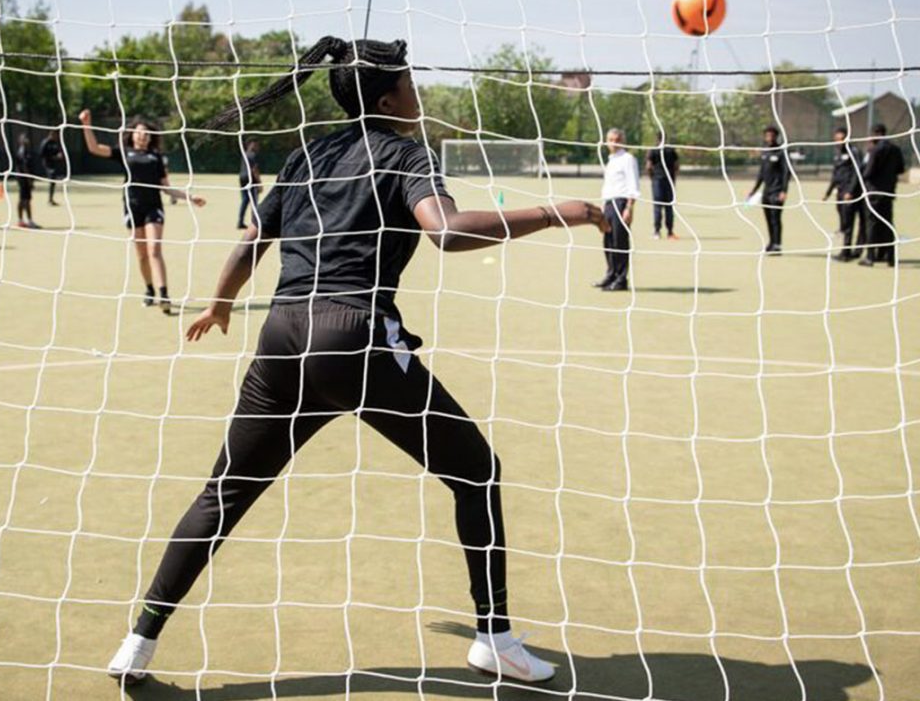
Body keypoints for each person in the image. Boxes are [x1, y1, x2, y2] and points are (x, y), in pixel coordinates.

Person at [106, 35, 607, 687]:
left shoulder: (306, 155)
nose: (417, 94)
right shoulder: (404, 152)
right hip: (354, 339)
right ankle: (496, 637)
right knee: (477, 471)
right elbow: (446, 230)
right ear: (388, 95)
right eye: (410, 83)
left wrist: (221, 303)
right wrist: (560, 210)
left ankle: (138, 640)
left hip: (282, 338)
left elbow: (251, 243)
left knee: (223, 493)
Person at [78, 111, 206, 312]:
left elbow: (166, 187)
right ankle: (149, 290)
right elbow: (94, 148)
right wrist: (87, 124)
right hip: (132, 207)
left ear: (150, 137)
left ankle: (164, 295)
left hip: (153, 208)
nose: (143, 136)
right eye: (139, 133)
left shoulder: (156, 157)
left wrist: (190, 198)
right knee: (142, 255)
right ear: (133, 135)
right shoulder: (123, 152)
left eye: (146, 133)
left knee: (154, 249)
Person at [593, 128, 639, 292]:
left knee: (620, 241)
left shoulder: (628, 159)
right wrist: (603, 205)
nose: (613, 143)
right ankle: (610, 274)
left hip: (621, 202)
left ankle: (621, 279)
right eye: (610, 139)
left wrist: (629, 207)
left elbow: (633, 184)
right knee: (608, 241)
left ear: (622, 141)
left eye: (616, 139)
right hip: (609, 204)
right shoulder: (611, 160)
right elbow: (608, 185)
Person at [859, 123, 906, 267]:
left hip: (874, 192)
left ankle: (870, 257)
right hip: (889, 191)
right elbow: (901, 169)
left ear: (875, 133)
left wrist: (865, 170)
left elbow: (868, 172)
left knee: (872, 224)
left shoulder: (875, 150)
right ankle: (891, 257)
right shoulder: (895, 149)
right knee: (888, 224)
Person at [746, 126, 790, 255]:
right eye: (767, 135)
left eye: (771, 135)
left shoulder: (781, 152)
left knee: (776, 218)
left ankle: (777, 245)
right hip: (766, 192)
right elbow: (761, 173)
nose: (769, 138)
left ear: (776, 136)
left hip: (777, 191)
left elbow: (786, 173)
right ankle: (771, 243)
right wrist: (754, 190)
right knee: (768, 218)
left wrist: (784, 191)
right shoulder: (765, 152)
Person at [823, 127, 863, 261]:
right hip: (840, 192)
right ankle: (847, 250)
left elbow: (857, 172)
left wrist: (851, 191)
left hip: (850, 193)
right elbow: (835, 175)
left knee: (849, 222)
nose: (838, 142)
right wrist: (828, 192)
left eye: (841, 139)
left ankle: (848, 252)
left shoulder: (854, 152)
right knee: (844, 223)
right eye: (837, 140)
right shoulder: (837, 153)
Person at [645, 131, 679, 240]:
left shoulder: (653, 150)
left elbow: (648, 166)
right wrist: (673, 178)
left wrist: (652, 177)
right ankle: (670, 232)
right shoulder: (671, 150)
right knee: (669, 207)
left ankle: (657, 232)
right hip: (669, 181)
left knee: (657, 207)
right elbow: (676, 166)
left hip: (657, 181)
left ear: (657, 138)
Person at [14, 133, 41, 229]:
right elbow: (24, 167)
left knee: (24, 199)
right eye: (24, 138)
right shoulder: (23, 152)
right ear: (20, 141)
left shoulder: (26, 151)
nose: (27, 140)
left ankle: (22, 220)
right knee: (25, 200)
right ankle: (28, 221)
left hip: (23, 179)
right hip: (24, 180)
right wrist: (29, 180)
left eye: (27, 138)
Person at [237, 139, 261, 229]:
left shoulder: (244, 154)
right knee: (254, 201)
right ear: (250, 145)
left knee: (245, 200)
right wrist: (259, 183)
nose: (257, 147)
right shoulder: (252, 155)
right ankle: (254, 222)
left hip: (242, 177)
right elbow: (254, 169)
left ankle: (240, 221)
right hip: (250, 178)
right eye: (255, 145)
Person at [39, 129, 66, 206]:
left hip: (54, 164)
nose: (56, 136)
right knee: (52, 179)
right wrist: (53, 157)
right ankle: (50, 200)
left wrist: (59, 155)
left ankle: (51, 199)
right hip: (48, 164)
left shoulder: (55, 143)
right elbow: (41, 154)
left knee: (53, 181)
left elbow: (57, 151)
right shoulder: (45, 142)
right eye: (55, 135)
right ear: (51, 134)